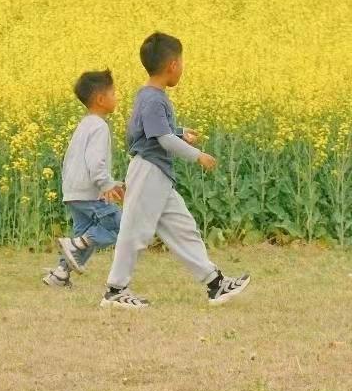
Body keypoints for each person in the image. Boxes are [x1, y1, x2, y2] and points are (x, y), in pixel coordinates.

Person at [100, 31, 251, 309]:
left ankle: (214, 284)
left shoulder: (146, 95)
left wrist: (180, 131)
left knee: (183, 228)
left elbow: (150, 130)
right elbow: (162, 139)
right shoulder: (154, 98)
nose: (182, 67)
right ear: (172, 66)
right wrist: (198, 156)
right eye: (181, 62)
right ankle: (115, 290)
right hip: (149, 172)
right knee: (134, 232)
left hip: (157, 174)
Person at [43, 69, 125, 288]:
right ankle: (74, 244)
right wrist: (106, 184)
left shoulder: (85, 124)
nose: (117, 97)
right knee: (119, 226)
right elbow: (95, 162)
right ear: (100, 99)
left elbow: (75, 160)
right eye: (113, 93)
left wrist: (110, 182)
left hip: (74, 191)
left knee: (84, 236)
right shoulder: (99, 127)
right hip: (91, 193)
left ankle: (60, 274)